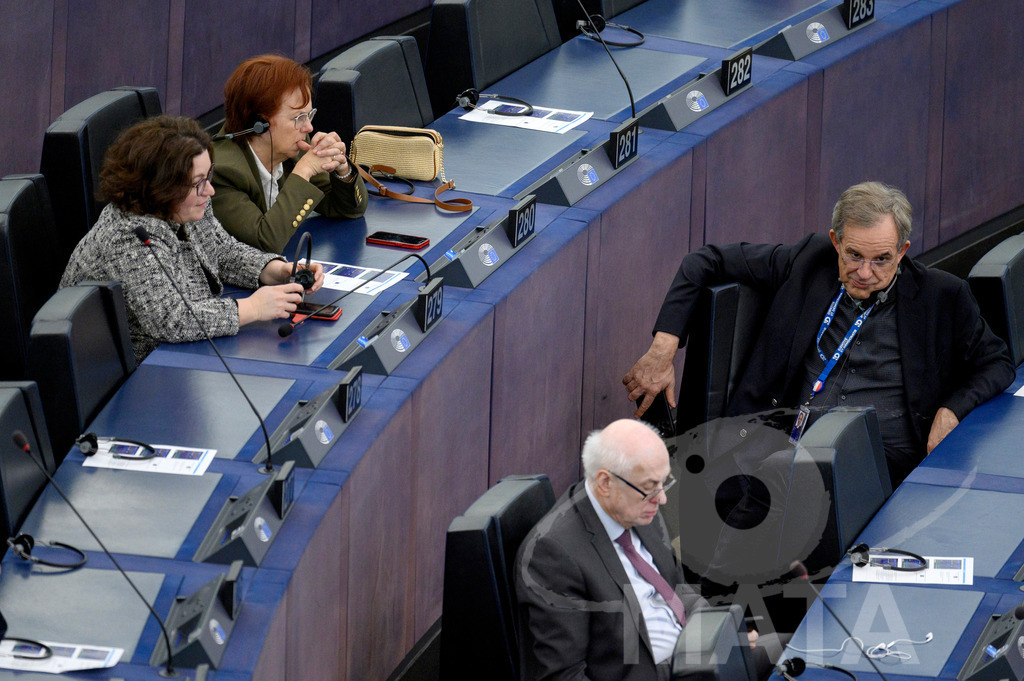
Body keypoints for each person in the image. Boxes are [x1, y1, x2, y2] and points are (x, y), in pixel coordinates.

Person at [623, 181, 1015, 486]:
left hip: (881, 460)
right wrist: (663, 350)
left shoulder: (941, 297)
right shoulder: (809, 260)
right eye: (853, 256)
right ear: (835, 242)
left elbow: (997, 363)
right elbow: (703, 261)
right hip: (779, 443)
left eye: (881, 260)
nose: (865, 273)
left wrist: (950, 411)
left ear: (902, 251)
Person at [61, 115, 323, 362]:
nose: (209, 190)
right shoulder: (127, 237)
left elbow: (220, 250)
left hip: (181, 353)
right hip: (135, 371)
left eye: (208, 176)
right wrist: (253, 308)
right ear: (162, 186)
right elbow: (172, 320)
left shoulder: (188, 201)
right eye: (199, 181)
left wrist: (275, 270)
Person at [516, 419, 707, 681]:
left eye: (664, 483)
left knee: (781, 649)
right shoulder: (554, 555)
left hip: (692, 655)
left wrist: (718, 633)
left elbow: (677, 589)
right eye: (651, 487)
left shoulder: (637, 505)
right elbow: (564, 676)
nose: (661, 498)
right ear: (605, 483)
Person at [211, 54, 368, 253]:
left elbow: (349, 209)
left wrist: (342, 169)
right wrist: (303, 172)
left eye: (309, 115)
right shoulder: (222, 173)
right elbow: (264, 241)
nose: (309, 127)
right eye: (299, 117)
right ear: (259, 124)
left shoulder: (291, 150)